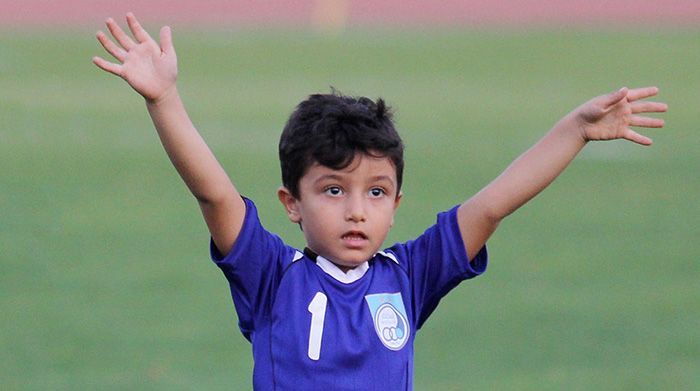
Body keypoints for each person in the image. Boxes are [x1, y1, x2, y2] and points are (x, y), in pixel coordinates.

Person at [92, 13, 667, 390]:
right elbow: (213, 192)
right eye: (333, 191)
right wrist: (164, 99)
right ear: (291, 203)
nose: (357, 211)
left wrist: (575, 128)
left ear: (396, 203)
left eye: (376, 192)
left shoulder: (409, 277)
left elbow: (493, 205)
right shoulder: (271, 276)